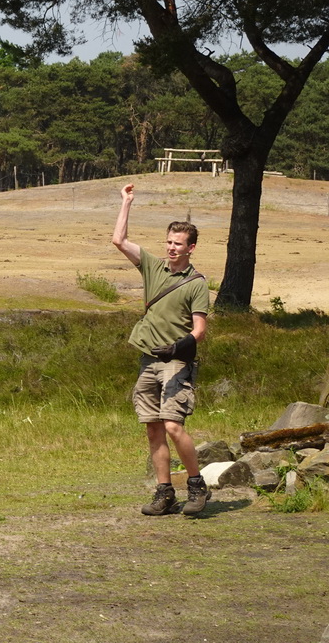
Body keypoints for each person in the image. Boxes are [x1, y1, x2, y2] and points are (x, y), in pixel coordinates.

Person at [112, 183, 211, 516]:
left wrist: (179, 348)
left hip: (176, 363)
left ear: (191, 247)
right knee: (153, 428)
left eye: (178, 244)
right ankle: (164, 493)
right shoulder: (152, 267)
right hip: (148, 361)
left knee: (172, 426)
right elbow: (119, 241)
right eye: (168, 242)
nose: (171, 248)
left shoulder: (197, 284)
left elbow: (199, 330)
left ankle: (197, 487)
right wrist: (127, 203)